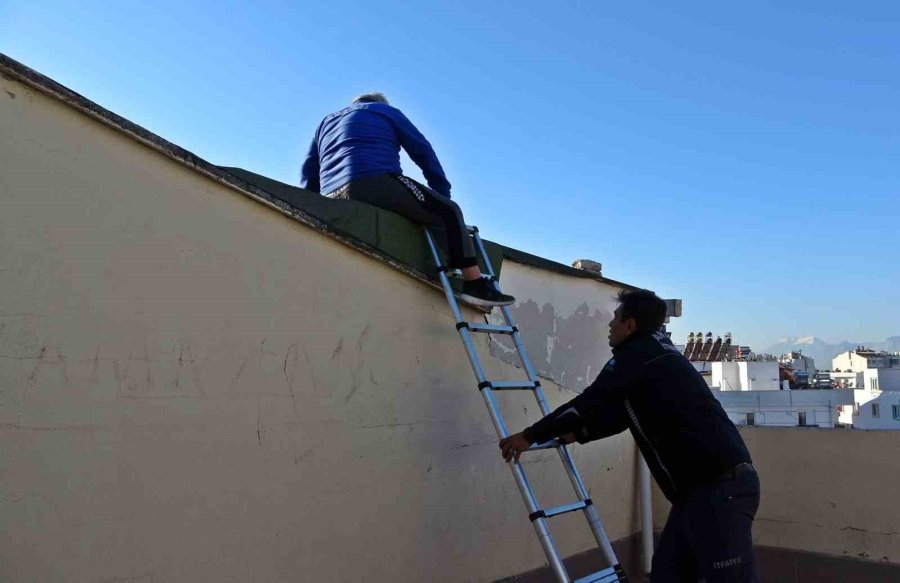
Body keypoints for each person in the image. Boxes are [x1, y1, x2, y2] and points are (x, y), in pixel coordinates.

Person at [499, 290, 760, 582]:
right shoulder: (657, 353)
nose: (610, 324)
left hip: (719, 491)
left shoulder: (635, 358)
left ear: (630, 325)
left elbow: (586, 404)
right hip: (700, 493)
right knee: (667, 574)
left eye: (615, 318)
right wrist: (581, 434)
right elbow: (625, 415)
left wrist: (529, 435)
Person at [300, 92, 514, 308]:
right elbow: (422, 149)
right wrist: (440, 193)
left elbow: (309, 171)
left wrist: (315, 203)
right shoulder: (386, 111)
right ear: (380, 103)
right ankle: (475, 284)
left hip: (331, 192)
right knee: (448, 212)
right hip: (374, 180)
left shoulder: (326, 122)